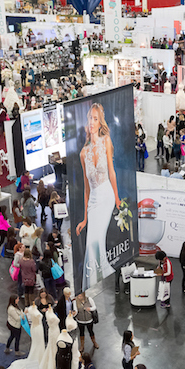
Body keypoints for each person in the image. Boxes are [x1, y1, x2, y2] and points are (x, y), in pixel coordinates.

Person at [75, 103, 121, 286]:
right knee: (92, 241)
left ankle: (97, 276)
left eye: (96, 119)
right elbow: (86, 188)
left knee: (95, 239)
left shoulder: (106, 141)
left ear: (100, 122)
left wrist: (117, 198)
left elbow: (111, 172)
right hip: (93, 199)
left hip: (107, 196)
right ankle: (97, 276)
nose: (92, 122)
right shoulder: (83, 153)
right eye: (90, 118)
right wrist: (85, 218)